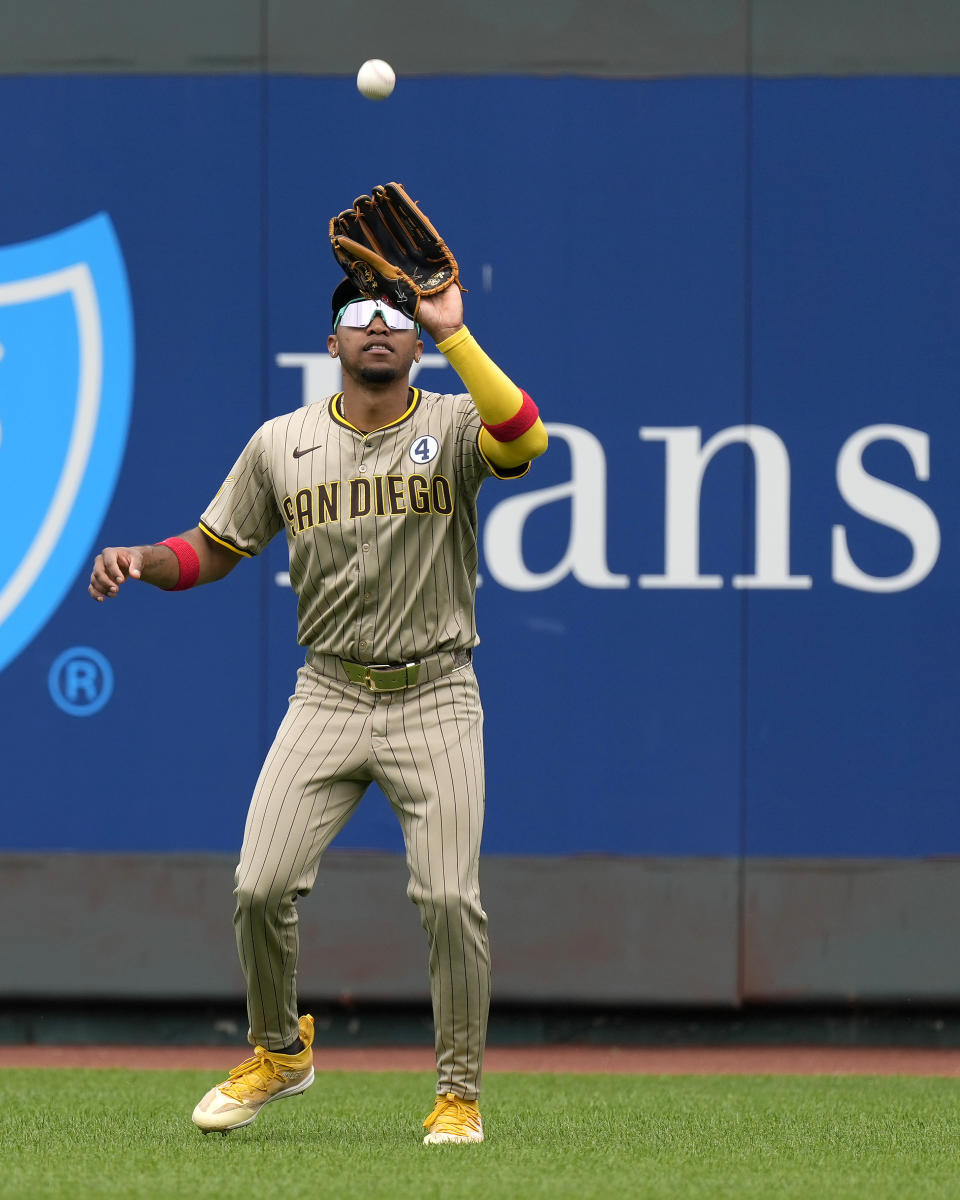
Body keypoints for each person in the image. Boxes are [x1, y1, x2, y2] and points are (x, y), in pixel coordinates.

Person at [88, 276, 548, 1144]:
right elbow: (215, 548)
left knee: (449, 897)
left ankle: (458, 1095)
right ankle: (279, 1052)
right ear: (331, 343)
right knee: (258, 886)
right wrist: (143, 558)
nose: (377, 327)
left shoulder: (451, 423)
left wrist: (455, 330)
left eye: (396, 317)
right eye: (356, 316)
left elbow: (528, 435)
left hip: (437, 694)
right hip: (329, 692)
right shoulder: (282, 442)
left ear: (414, 343)